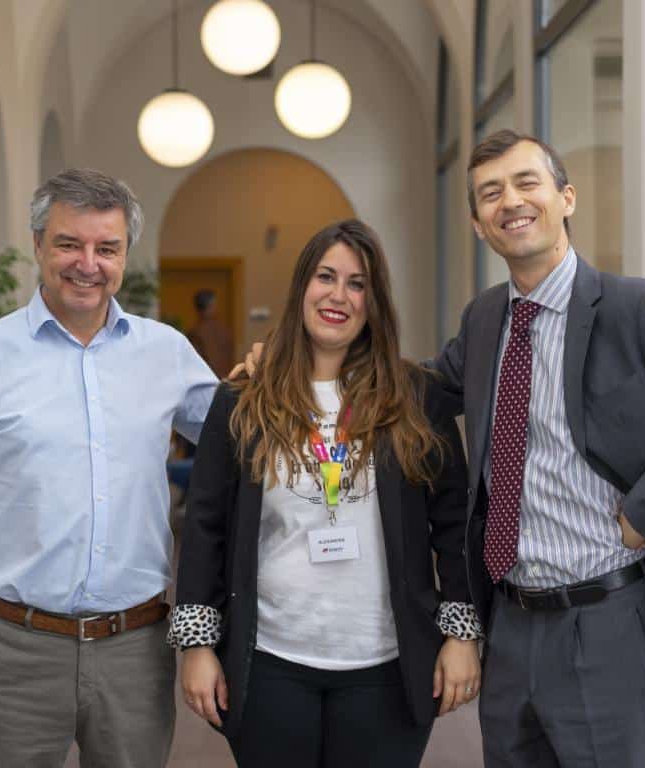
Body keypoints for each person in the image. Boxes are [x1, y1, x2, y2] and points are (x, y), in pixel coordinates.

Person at [431, 130, 645, 766]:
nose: (511, 201)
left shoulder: (632, 308)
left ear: (565, 198)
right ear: (479, 224)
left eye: (527, 182)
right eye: (491, 193)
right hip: (509, 622)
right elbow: (419, 391)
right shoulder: (484, 320)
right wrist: (299, 364)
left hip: (606, 621)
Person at [0, 168, 218, 767]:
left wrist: (286, 375)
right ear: (38, 245)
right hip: (12, 650)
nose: (88, 264)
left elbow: (246, 438)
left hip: (135, 649)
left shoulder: (166, 353)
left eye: (107, 248)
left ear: (124, 255)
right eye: (68, 244)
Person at [170, 219, 483, 768]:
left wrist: (461, 633)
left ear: (374, 301)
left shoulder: (414, 398)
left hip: (386, 668)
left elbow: (455, 523)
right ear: (302, 287)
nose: (339, 295)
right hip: (269, 665)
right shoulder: (244, 400)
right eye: (325, 277)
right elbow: (205, 528)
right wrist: (197, 643)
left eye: (357, 283)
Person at [187, 288, 234, 380]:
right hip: (224, 380)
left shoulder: (194, 332)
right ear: (212, 305)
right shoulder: (223, 330)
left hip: (206, 380)